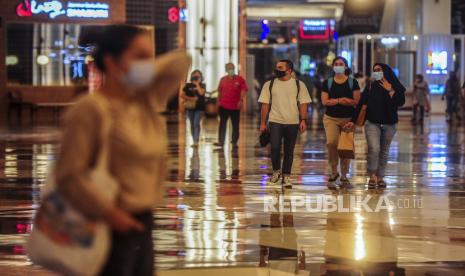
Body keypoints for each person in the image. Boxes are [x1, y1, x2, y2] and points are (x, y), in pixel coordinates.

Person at [54, 25, 190, 276]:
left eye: (150, 58)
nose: (147, 65)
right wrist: (111, 214)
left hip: (142, 221)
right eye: (139, 57)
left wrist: (142, 68)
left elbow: (182, 61)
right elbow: (68, 175)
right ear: (111, 61)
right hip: (106, 224)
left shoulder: (144, 102)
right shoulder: (91, 109)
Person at [345, 63, 406, 189]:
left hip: (390, 123)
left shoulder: (396, 85)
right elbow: (362, 102)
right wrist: (353, 120)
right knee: (374, 148)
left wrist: (390, 90)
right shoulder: (371, 85)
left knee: (384, 151)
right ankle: (372, 175)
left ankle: (380, 177)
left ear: (386, 71)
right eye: (374, 70)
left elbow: (400, 102)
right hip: (372, 122)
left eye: (379, 70)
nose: (376, 72)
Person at [258, 60, 311, 188]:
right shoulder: (269, 84)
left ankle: (286, 176)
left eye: (280, 67)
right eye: (276, 67)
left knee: (289, 150)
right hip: (275, 121)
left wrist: (303, 120)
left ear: (289, 70)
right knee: (275, 148)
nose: (277, 70)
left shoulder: (299, 85)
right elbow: (265, 105)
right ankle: (276, 172)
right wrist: (263, 124)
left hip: (293, 122)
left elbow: (303, 103)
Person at [321, 57, 360, 189]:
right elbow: (325, 101)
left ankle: (344, 175)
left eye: (341, 64)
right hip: (330, 118)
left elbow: (356, 101)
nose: (338, 66)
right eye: (336, 64)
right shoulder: (328, 82)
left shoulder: (352, 82)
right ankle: (333, 172)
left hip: (348, 119)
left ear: (345, 66)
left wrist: (337, 100)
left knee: (345, 147)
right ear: (333, 66)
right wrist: (341, 100)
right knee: (332, 142)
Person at [215, 63, 248, 148]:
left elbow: (244, 90)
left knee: (235, 124)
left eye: (232, 68)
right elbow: (219, 91)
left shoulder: (240, 79)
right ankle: (221, 141)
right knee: (222, 124)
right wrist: (218, 102)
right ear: (226, 70)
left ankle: (234, 141)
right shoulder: (223, 79)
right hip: (224, 106)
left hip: (235, 106)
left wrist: (241, 100)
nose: (231, 70)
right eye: (229, 68)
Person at [182, 70, 206, 146]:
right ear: (192, 76)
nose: (196, 77)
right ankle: (194, 140)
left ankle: (196, 141)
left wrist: (197, 84)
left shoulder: (202, 85)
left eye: (198, 76)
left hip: (200, 108)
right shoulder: (188, 85)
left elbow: (201, 93)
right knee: (192, 124)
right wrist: (191, 99)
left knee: (196, 123)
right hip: (190, 107)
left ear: (201, 77)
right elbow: (182, 95)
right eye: (194, 76)